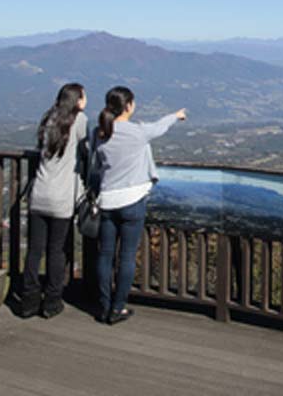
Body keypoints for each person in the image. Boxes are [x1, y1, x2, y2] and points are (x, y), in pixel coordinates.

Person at [93, 85, 186, 324]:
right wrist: (176, 116)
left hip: (107, 200)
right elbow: (159, 127)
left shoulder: (100, 132)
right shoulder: (136, 132)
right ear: (128, 106)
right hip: (133, 201)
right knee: (126, 256)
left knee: (104, 256)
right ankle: (118, 307)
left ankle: (103, 305)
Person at [17, 82, 89, 318]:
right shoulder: (79, 121)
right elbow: (86, 148)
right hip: (61, 198)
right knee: (56, 251)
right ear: (77, 100)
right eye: (83, 97)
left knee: (34, 251)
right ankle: (52, 301)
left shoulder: (48, 119)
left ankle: (28, 301)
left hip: (39, 194)